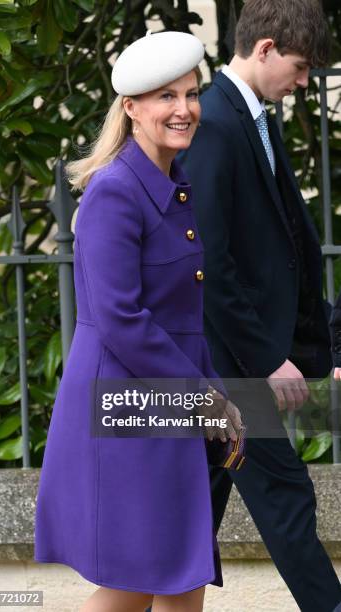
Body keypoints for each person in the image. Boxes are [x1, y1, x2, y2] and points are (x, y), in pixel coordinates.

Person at [34, 31, 242, 612]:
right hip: (127, 406)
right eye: (164, 97)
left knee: (182, 568)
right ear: (131, 109)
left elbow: (179, 319)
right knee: (138, 578)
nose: (183, 109)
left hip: (165, 400)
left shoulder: (171, 186)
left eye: (191, 93)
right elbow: (122, 320)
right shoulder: (115, 192)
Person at [179, 1, 341, 611]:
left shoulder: (253, 116)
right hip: (233, 362)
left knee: (198, 501)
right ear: (266, 48)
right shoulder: (216, 122)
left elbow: (285, 244)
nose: (304, 82)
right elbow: (211, 265)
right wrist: (268, 359)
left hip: (234, 362)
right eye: (299, 68)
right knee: (286, 493)